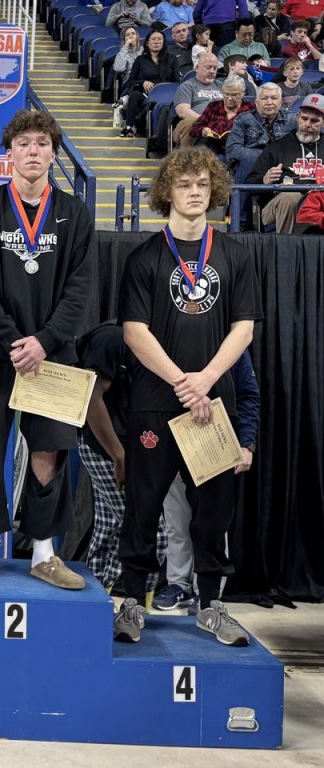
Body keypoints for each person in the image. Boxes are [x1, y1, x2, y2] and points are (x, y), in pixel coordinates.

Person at [115, 146, 262, 645]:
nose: (195, 192)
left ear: (214, 190)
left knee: (214, 512)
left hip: (211, 407)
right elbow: (134, 331)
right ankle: (131, 602)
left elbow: (244, 329)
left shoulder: (235, 255)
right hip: (155, 404)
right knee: (143, 506)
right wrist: (183, 380)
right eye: (184, 184)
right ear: (167, 192)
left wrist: (206, 380)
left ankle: (212, 606)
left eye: (202, 184)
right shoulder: (145, 257)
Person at [0, 110, 94, 590]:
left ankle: (43, 553)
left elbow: (80, 289)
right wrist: (15, 341)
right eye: (24, 143)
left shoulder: (75, 213)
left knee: (48, 451)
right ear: (9, 153)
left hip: (53, 355)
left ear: (54, 153)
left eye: (42, 143)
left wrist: (44, 342)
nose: (33, 151)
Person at [152, 349, 259, 610]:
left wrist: (246, 443)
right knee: (175, 520)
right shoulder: (166, 340)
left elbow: (248, 394)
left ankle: (208, 590)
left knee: (212, 521)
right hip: (173, 436)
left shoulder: (232, 346)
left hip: (214, 438)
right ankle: (179, 584)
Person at [76, 323, 166, 596]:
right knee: (149, 530)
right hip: (107, 447)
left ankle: (96, 597)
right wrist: (119, 455)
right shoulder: (113, 337)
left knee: (109, 526)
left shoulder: (151, 345)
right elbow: (91, 397)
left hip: (128, 447)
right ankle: (136, 600)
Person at [247, 93, 324, 232]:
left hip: (319, 202)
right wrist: (264, 180)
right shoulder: (277, 147)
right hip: (280, 203)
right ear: (297, 118)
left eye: (314, 121)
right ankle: (288, 244)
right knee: (291, 197)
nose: (307, 124)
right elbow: (249, 184)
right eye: (304, 118)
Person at [226, 82, 294, 224]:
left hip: (284, 164)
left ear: (280, 101)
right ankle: (241, 221)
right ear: (256, 102)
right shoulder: (243, 120)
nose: (269, 102)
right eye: (264, 98)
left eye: (274, 98)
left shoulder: (292, 120)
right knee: (249, 160)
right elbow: (233, 149)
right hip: (254, 166)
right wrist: (263, 156)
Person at [120, 29, 181, 138]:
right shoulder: (140, 59)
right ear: (147, 43)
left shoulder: (172, 59)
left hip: (167, 94)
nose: (156, 41)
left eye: (159, 39)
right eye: (153, 39)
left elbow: (177, 82)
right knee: (134, 95)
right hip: (146, 94)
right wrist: (142, 82)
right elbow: (130, 82)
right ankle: (129, 128)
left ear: (164, 42)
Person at [190, 74, 255, 154]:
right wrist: (203, 130)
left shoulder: (251, 109)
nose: (229, 98)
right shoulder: (213, 106)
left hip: (238, 147)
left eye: (234, 95)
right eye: (226, 94)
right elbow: (194, 128)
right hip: (211, 145)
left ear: (242, 94)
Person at [173, 52, 225, 146]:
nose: (212, 71)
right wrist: (206, 122)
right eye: (208, 67)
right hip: (196, 122)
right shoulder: (187, 86)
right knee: (189, 122)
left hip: (221, 125)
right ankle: (188, 155)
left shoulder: (222, 86)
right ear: (197, 68)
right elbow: (183, 112)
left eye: (215, 68)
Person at [114, 26, 144, 91]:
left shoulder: (145, 51)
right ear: (124, 40)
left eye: (133, 34)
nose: (131, 36)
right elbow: (119, 68)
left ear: (137, 37)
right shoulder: (122, 53)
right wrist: (126, 46)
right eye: (127, 35)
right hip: (129, 84)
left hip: (144, 81)